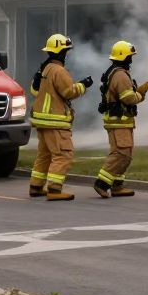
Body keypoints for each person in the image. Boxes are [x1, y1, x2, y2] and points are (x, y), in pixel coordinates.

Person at [28, 34, 93, 201]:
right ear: (61, 52)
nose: (67, 54)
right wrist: (83, 85)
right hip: (54, 121)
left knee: (44, 155)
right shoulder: (58, 70)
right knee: (64, 154)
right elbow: (69, 92)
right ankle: (55, 189)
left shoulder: (45, 69)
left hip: (42, 120)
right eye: (66, 51)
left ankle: (36, 186)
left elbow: (36, 91)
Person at [94, 40, 148, 198]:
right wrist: (141, 93)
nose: (131, 60)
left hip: (120, 120)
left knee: (124, 153)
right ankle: (102, 183)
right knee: (122, 154)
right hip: (119, 121)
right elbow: (128, 99)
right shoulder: (120, 75)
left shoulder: (116, 72)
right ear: (123, 57)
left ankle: (117, 186)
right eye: (130, 57)